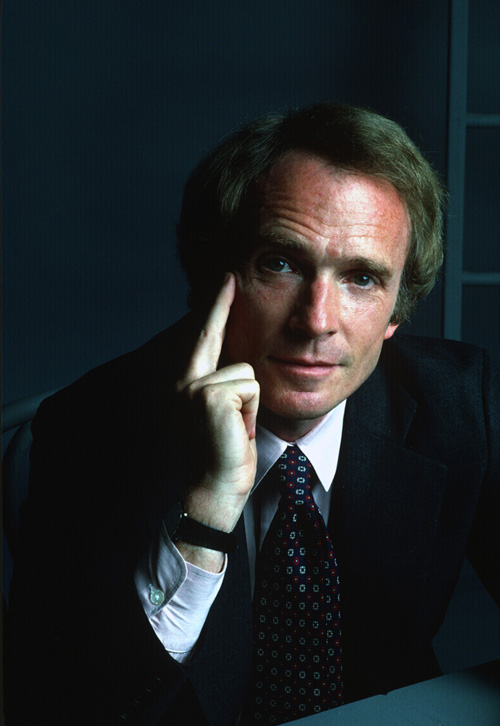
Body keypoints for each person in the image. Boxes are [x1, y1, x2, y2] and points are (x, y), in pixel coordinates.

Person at [6, 103, 500, 725]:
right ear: (215, 273)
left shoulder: (459, 403)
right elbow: (67, 705)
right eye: (282, 263)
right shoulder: (90, 429)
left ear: (398, 311)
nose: (316, 321)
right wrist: (207, 511)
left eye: (362, 278)